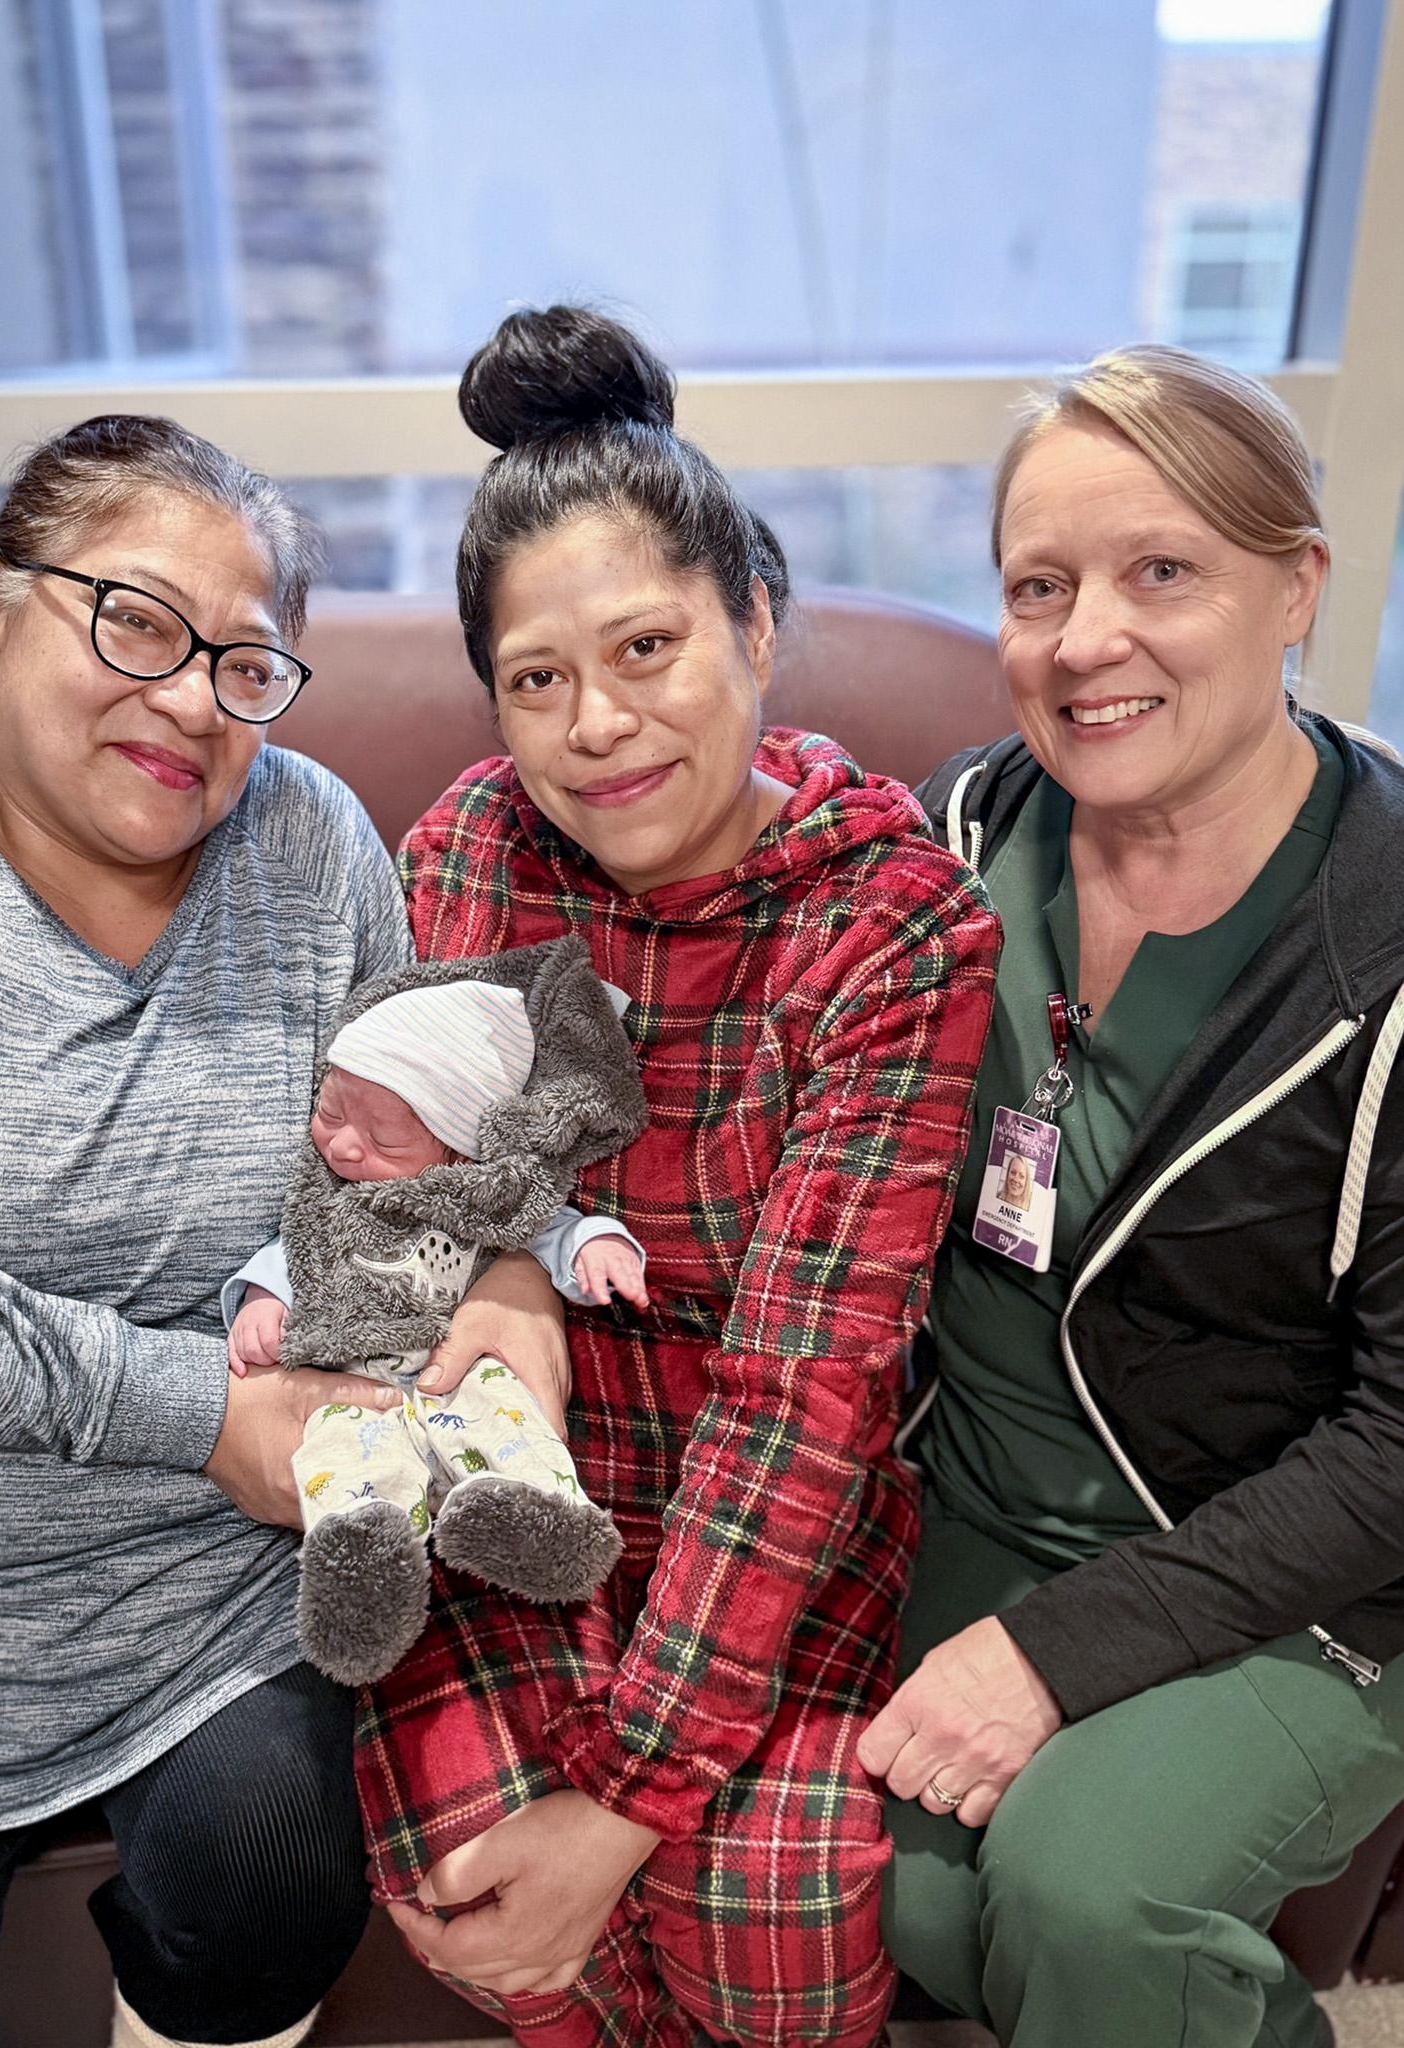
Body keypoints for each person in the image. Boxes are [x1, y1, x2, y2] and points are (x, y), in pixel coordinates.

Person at [0, 414, 562, 2048]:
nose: (190, 702)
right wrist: (206, 1412)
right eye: (138, 626)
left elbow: (402, 1167)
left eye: (242, 663)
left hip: (203, 1591)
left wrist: (511, 1275)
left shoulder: (305, 839)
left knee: (276, 1866)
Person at [353, 305, 1001, 2047]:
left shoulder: (891, 924)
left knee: (759, 1901)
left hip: (778, 1504)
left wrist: (629, 1797)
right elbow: (405, 1199)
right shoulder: (469, 852)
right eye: (536, 679)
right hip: (517, 1480)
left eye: (646, 647)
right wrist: (505, 1271)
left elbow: (809, 1387)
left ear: (755, 621)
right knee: (469, 1855)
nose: (596, 725)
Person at [859, 345, 1404, 2048]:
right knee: (885, 1886)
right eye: (1038, 586)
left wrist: (1048, 1655)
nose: (1084, 638)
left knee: (1087, 1895)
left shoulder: (1386, 948)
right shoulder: (957, 838)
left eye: (1159, 569)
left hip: (1299, 1562)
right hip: (973, 1494)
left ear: (1293, 587)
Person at [222, 951, 650, 1685]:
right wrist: (263, 1301)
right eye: (330, 1113)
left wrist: (598, 1245)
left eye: (385, 1139)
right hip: (352, 1384)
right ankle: (364, 1571)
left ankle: (533, 1517)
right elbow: (294, 1253)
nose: (343, 1145)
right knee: (339, 1455)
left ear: (457, 1150)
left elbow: (552, 1229)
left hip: (459, 1370)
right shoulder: (328, 1202)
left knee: (506, 1414)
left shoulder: (480, 1197)